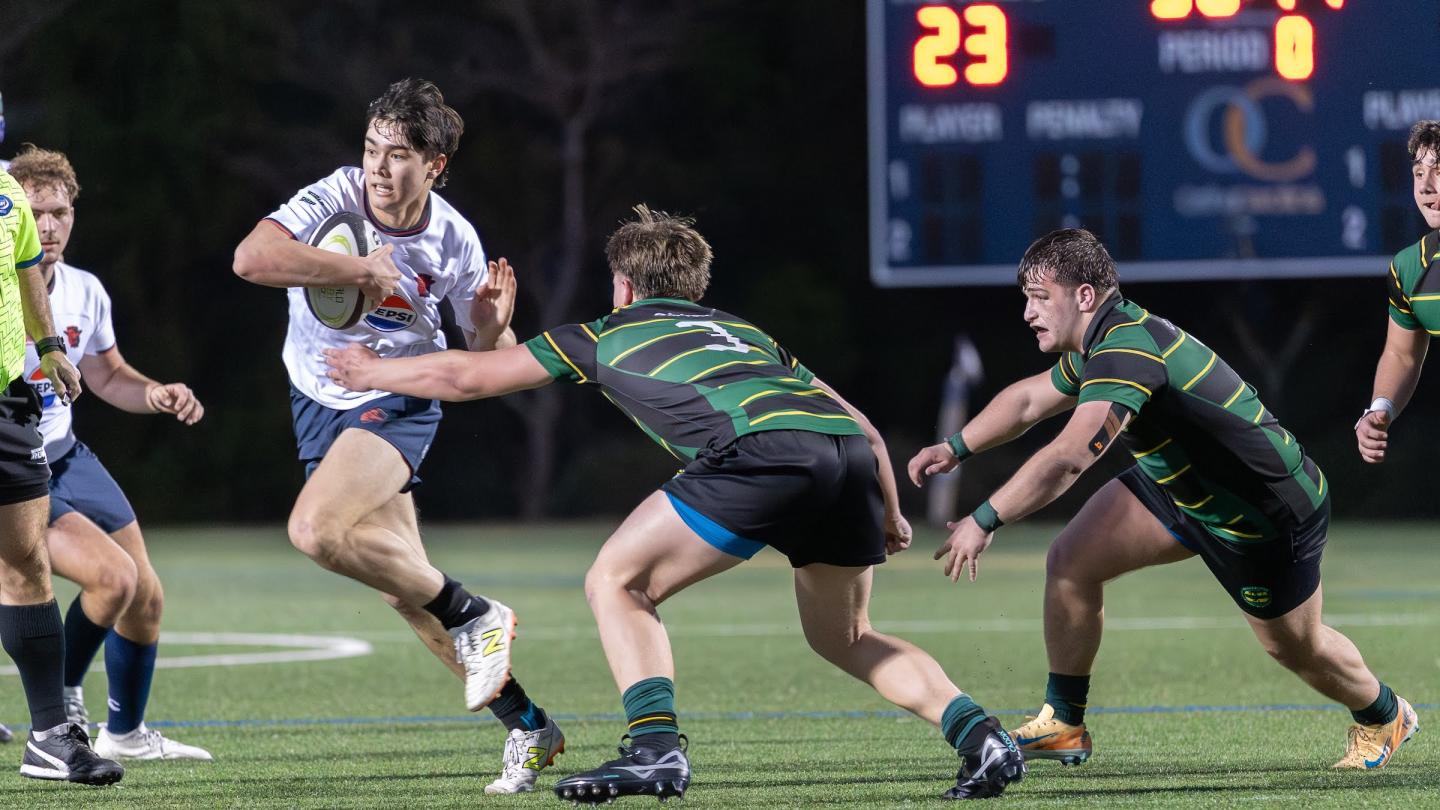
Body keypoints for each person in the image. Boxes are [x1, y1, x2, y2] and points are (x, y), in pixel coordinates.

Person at [324, 205, 1027, 803]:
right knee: (845, 636)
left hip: (762, 451)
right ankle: (981, 737)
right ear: (695, 286)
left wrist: (370, 369)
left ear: (622, 285)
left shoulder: (605, 333)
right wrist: (892, 510)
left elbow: (467, 375)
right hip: (843, 455)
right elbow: (862, 423)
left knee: (616, 580)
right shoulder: (748, 334)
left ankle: (655, 747)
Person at [907, 228, 1419, 771]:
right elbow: (1031, 399)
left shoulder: (1127, 348)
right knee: (1071, 562)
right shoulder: (1101, 341)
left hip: (1261, 513)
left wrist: (984, 518)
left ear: (1085, 296)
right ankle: (1063, 723)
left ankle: (1385, 715)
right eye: (1026, 300)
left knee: (1296, 649)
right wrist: (954, 447)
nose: (1028, 313)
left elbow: (1071, 456)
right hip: (1180, 487)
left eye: (1040, 297)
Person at [231, 78, 561, 793]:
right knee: (404, 589)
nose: (379, 168)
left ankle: (478, 613)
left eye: (400, 155)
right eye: (372, 149)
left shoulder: (453, 238)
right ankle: (530, 727)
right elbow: (250, 260)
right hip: (317, 397)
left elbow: (481, 358)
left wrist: (493, 322)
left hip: (400, 397)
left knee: (315, 533)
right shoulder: (336, 196)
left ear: (435, 166)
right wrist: (358, 266)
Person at [9, 145, 211, 761]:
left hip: (67, 455)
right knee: (108, 580)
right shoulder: (3, 292)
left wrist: (156, 394)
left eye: (61, 212)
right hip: (18, 464)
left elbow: (108, 375)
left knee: (144, 591)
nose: (49, 227)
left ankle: (123, 733)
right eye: (36, 212)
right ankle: (61, 706)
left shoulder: (85, 290)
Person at [0, 163, 122, 784]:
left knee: (25, 564)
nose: (51, 225)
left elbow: (25, 273)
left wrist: (48, 349)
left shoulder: (7, 195)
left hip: (6, 401)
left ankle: (49, 736)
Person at [1357, 120, 1440, 464]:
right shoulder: (1409, 269)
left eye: (1439, 171)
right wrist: (1379, 409)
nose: (1426, 186)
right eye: (1419, 173)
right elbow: (1402, 355)